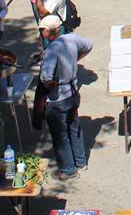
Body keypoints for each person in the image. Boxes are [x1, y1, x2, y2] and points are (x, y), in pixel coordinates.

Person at [38, 15, 93, 180]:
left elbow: (46, 78)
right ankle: (81, 161)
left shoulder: (51, 51)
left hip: (58, 97)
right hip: (73, 92)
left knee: (60, 134)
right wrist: (75, 59)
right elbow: (89, 45)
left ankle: (68, 169)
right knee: (74, 127)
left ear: (47, 32)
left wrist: (50, 85)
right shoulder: (72, 39)